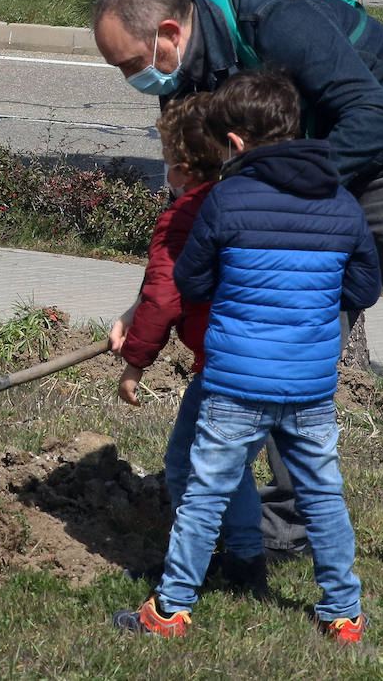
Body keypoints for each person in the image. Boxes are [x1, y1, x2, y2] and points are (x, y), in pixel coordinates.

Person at [92, 0, 383, 593]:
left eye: (131, 64)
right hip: (317, 175)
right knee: (279, 348)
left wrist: (277, 191)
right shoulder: (186, 78)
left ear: (167, 32)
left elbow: (371, 119)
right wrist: (147, 299)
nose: (133, 78)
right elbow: (200, 200)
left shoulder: (273, 18)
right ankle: (291, 521)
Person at [112, 70, 381, 643]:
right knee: (322, 495)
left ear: (234, 143)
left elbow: (194, 279)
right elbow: (362, 288)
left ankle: (171, 609)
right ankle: (344, 614)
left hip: (234, 382)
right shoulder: (340, 201)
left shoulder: (227, 199)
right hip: (310, 384)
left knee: (205, 491)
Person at [108, 93, 264, 595]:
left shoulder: (184, 215)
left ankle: (196, 564)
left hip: (222, 364)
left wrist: (134, 364)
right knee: (232, 463)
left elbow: (163, 293)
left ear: (179, 168)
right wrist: (133, 313)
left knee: (185, 462)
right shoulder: (254, 197)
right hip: (284, 359)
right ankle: (245, 566)